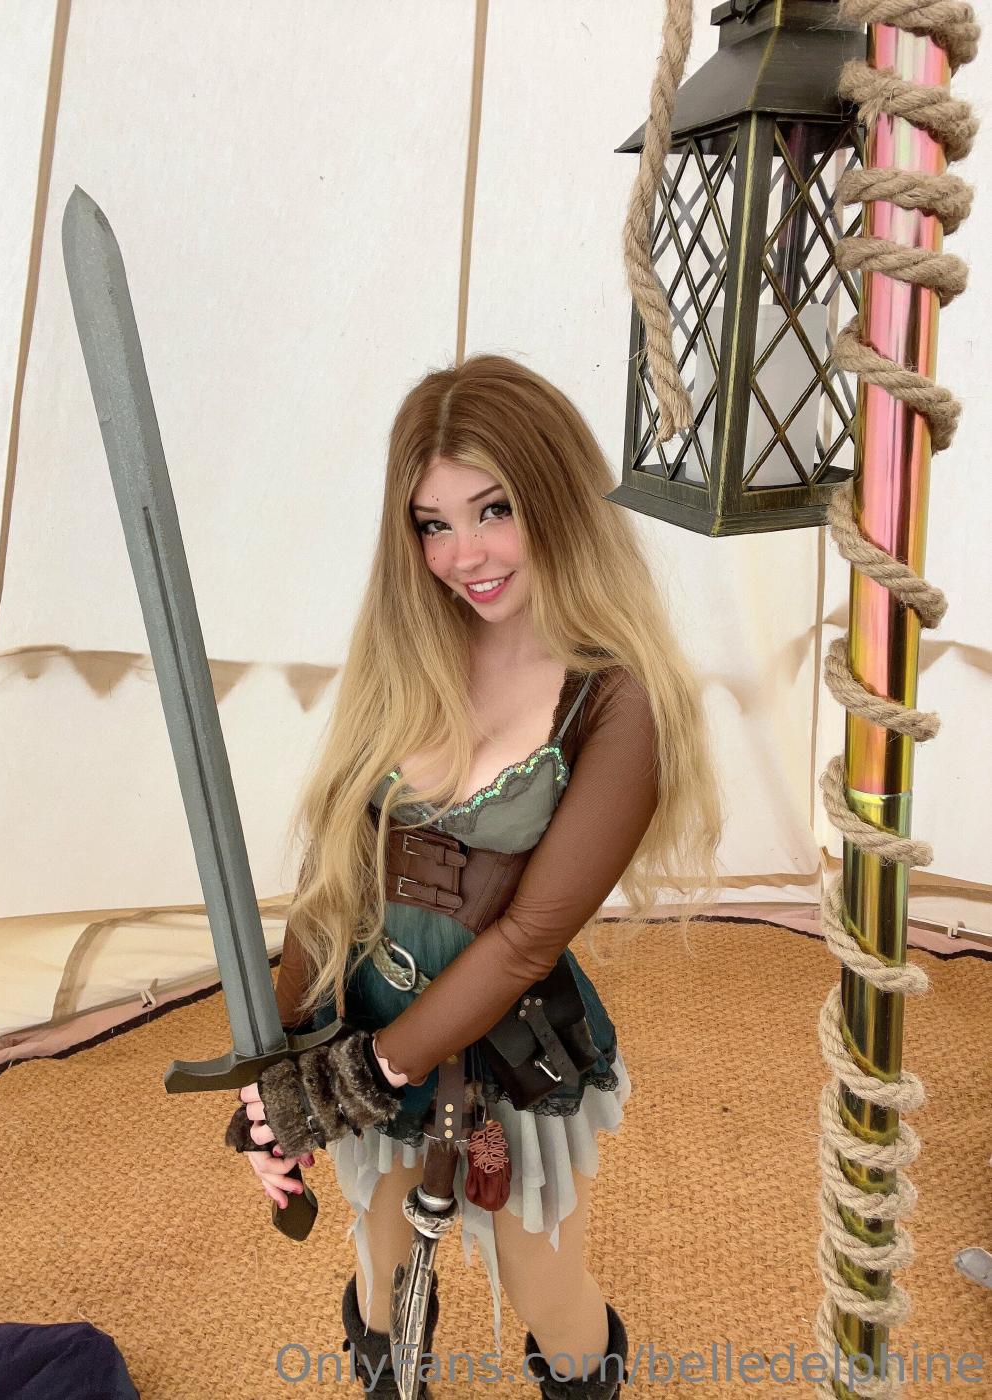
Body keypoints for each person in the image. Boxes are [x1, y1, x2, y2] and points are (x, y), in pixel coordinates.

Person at [225, 354, 724, 1398]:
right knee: (380, 1273)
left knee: (549, 1291)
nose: (465, 555)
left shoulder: (617, 700)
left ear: (553, 496)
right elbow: (334, 872)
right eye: (433, 523)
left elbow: (527, 939)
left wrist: (358, 1080)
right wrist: (284, 1059)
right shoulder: (412, 645)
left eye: (494, 509)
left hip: (509, 1054)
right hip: (365, 1024)